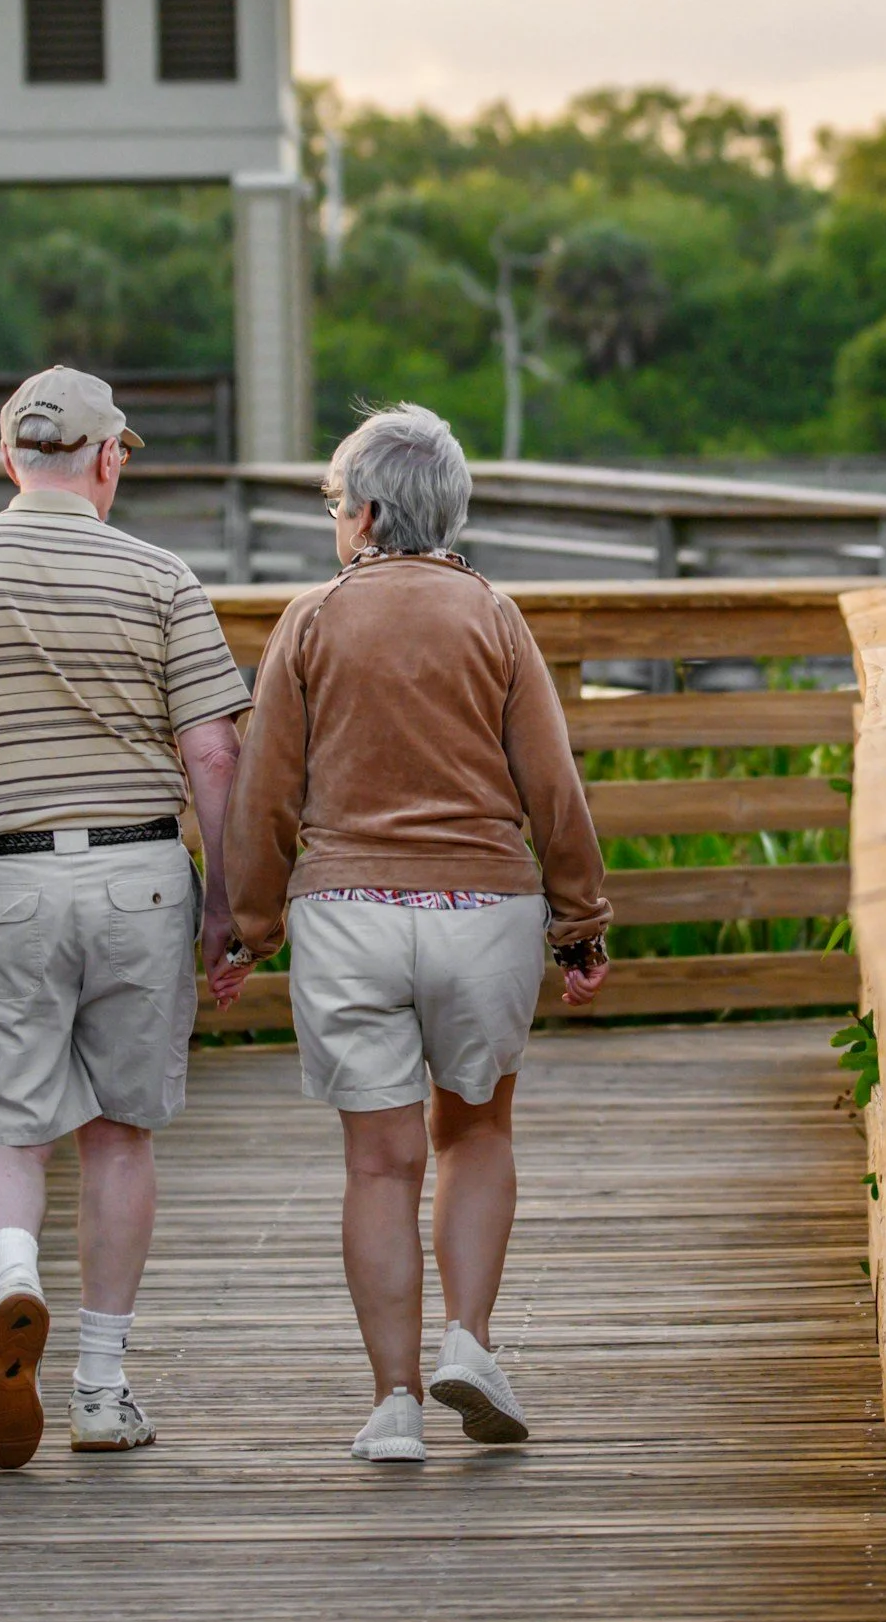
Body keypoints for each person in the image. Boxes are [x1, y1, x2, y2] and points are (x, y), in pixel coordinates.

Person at [216, 403, 612, 1464]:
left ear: (369, 513)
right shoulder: (495, 615)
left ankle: (393, 1402)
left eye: (337, 504)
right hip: (483, 910)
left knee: (379, 1164)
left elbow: (265, 793)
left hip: (347, 916)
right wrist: (577, 918)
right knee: (474, 1132)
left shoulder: (310, 621)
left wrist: (246, 927)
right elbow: (551, 784)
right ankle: (469, 1342)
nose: (335, 522)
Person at [0, 365, 248, 1467]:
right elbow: (214, 750)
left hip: (7, 877)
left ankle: (11, 1273)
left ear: (10, 458)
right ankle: (99, 1385)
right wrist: (225, 904)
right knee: (117, 1131)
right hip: (139, 875)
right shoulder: (161, 573)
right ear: (106, 458)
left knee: (5, 1121)